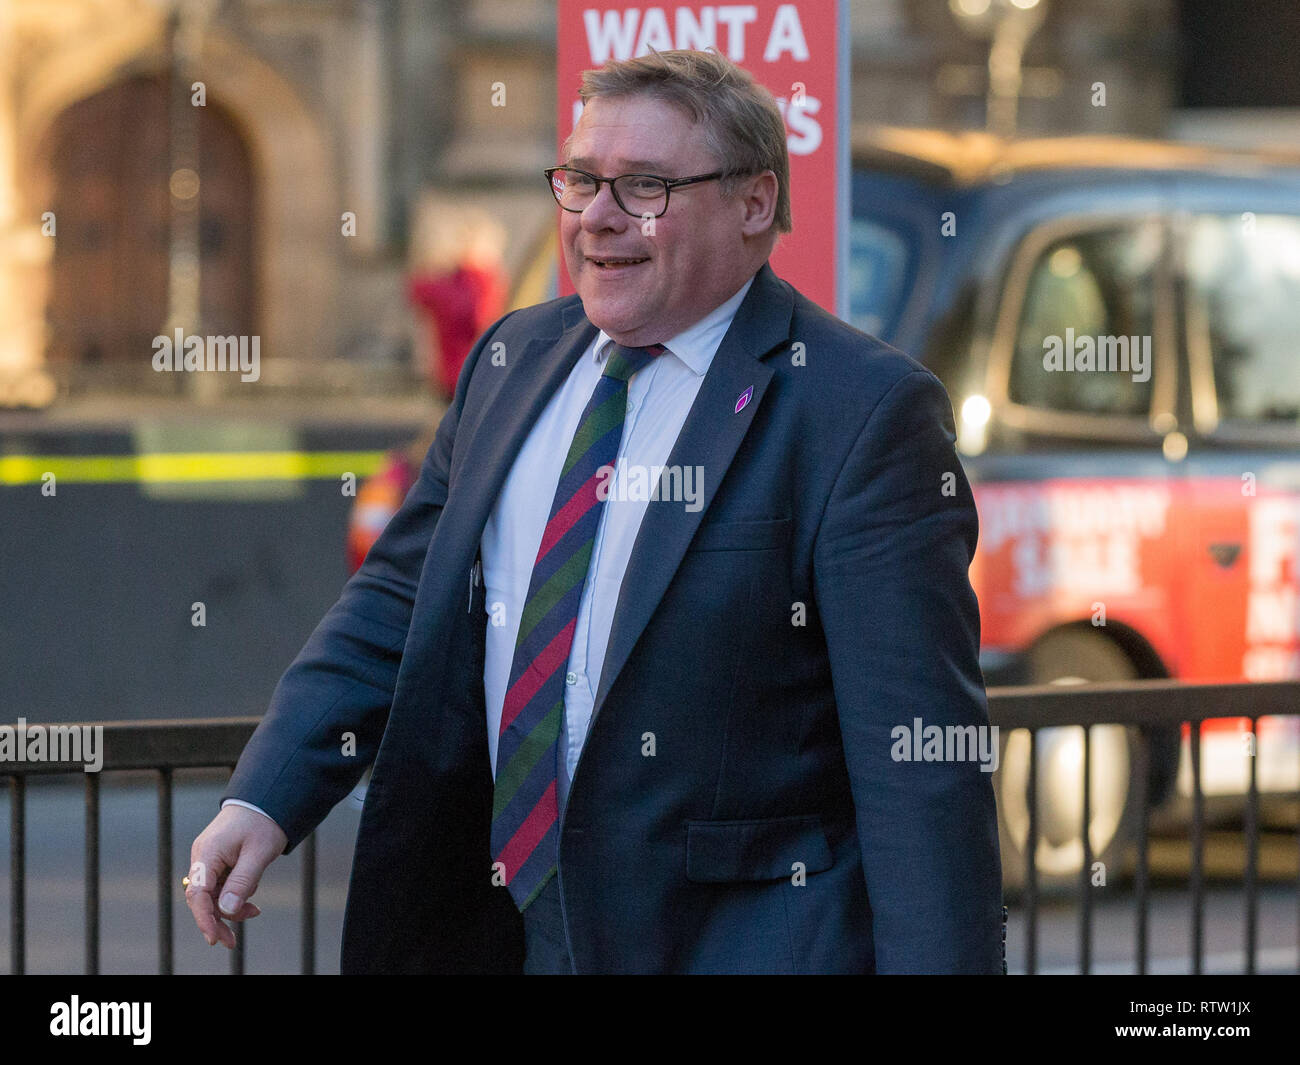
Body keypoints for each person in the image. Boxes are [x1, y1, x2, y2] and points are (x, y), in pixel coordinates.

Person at [185, 47, 1004, 974]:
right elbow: (394, 607)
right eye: (580, 181)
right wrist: (263, 797)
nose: (598, 219)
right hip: (499, 936)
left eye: (646, 186)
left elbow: (921, 773)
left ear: (754, 204)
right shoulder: (510, 361)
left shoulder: (861, 411)